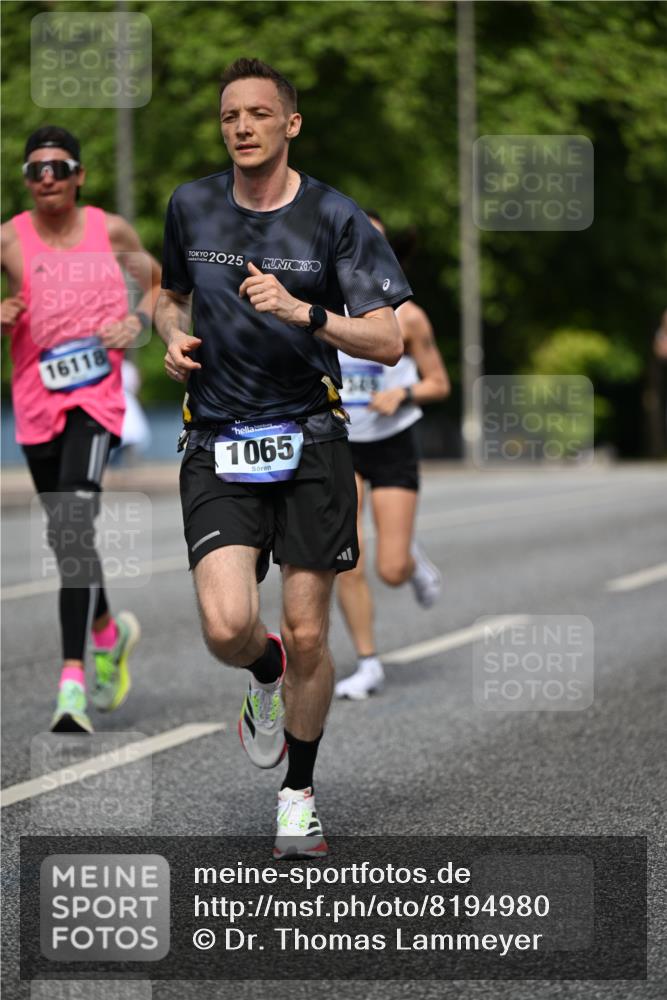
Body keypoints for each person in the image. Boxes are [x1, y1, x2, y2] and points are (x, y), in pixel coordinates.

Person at [155, 58, 410, 859]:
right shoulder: (190, 205)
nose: (242, 127)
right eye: (231, 115)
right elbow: (166, 294)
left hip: (311, 438)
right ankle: (260, 674)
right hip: (218, 437)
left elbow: (389, 338)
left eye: (259, 114)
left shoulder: (335, 218)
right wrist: (170, 336)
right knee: (229, 626)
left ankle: (297, 794)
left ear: (289, 124)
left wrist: (305, 312)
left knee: (308, 633)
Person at [1, 126, 161, 733]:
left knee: (71, 523)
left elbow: (160, 283)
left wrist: (136, 320)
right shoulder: (9, 239)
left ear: (78, 175)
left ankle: (71, 681)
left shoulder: (110, 230)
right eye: (35, 169)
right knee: (67, 539)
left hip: (95, 399)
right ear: (26, 179)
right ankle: (107, 630)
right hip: (35, 401)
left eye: (58, 167)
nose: (47, 178)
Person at [335, 212, 450, 700]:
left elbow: (439, 383)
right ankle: (367, 663)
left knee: (390, 568)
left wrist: (401, 396)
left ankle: (413, 562)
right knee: (347, 560)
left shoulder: (408, 315)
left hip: (393, 444)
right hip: (341, 445)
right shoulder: (322, 307)